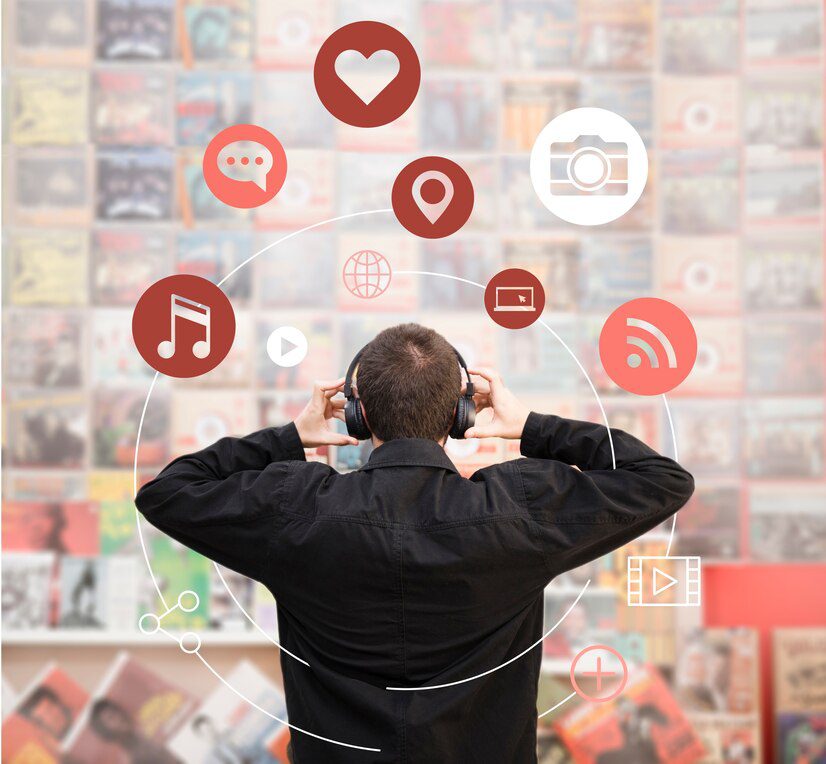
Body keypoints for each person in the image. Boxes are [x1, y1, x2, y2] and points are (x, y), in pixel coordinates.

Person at [136, 323, 694, 763]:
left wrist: (288, 437)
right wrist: (532, 427)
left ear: (356, 414)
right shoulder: (517, 511)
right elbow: (662, 479)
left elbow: (167, 492)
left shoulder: (296, 508)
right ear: (460, 414)